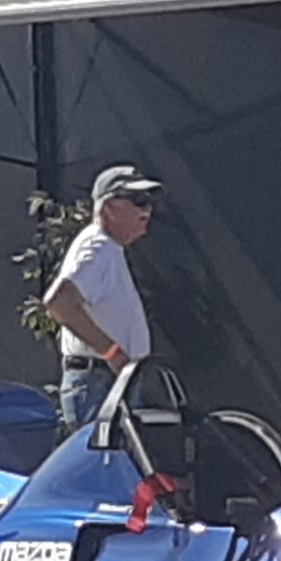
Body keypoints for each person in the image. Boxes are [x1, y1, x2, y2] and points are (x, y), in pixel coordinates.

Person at [43, 165, 160, 430]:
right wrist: (112, 352)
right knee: (106, 466)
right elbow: (59, 302)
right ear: (109, 207)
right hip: (99, 382)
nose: (147, 210)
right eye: (138, 200)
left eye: (149, 201)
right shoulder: (99, 246)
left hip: (105, 380)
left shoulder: (107, 248)